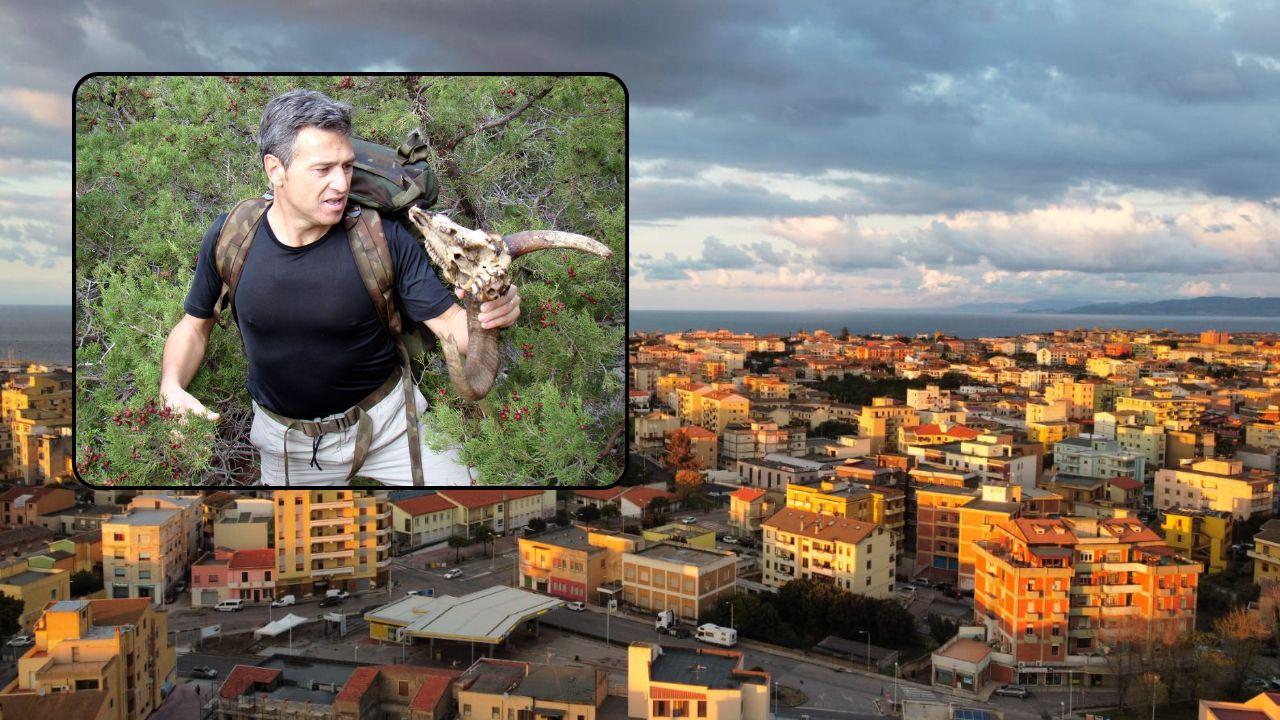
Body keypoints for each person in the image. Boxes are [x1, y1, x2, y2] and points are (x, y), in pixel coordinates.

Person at [160, 89, 520, 486]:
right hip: (287, 444)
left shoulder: (380, 237)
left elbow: (450, 324)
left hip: (390, 424)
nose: (340, 184)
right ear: (275, 170)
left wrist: (487, 314)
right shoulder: (233, 236)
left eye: (347, 167)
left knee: (477, 495)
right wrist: (171, 386)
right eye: (322, 169)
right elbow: (194, 326)